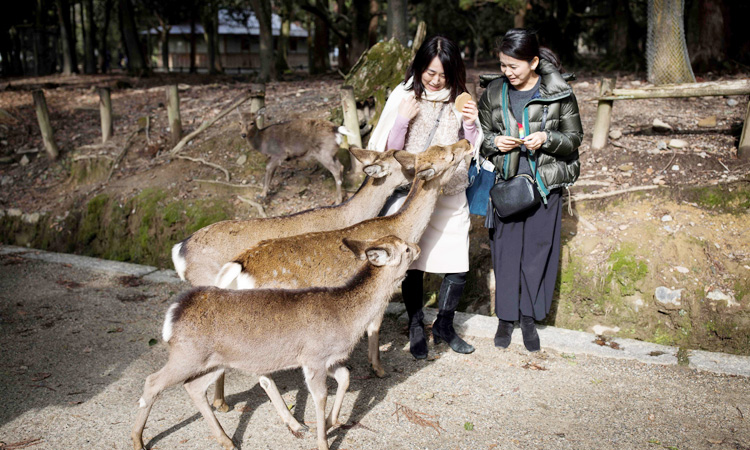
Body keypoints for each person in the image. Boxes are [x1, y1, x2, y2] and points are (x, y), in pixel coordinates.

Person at [368, 35, 484, 359]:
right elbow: (390, 149)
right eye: (429, 73)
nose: (434, 81)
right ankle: (416, 322)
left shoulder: (461, 99)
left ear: (453, 73)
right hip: (415, 192)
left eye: (441, 75)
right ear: (420, 67)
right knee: (414, 262)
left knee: (458, 263)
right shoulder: (404, 94)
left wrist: (472, 124)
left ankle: (445, 324)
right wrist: (403, 118)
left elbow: (472, 147)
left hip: (449, 189)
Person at [477, 28, 583, 352]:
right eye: (503, 65)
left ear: (534, 62)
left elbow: (574, 139)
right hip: (507, 187)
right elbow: (480, 137)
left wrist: (547, 139)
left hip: (544, 186)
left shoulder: (559, 93)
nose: (507, 72)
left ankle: (528, 318)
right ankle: (505, 318)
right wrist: (495, 142)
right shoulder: (494, 92)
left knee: (537, 256)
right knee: (506, 255)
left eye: (514, 66)